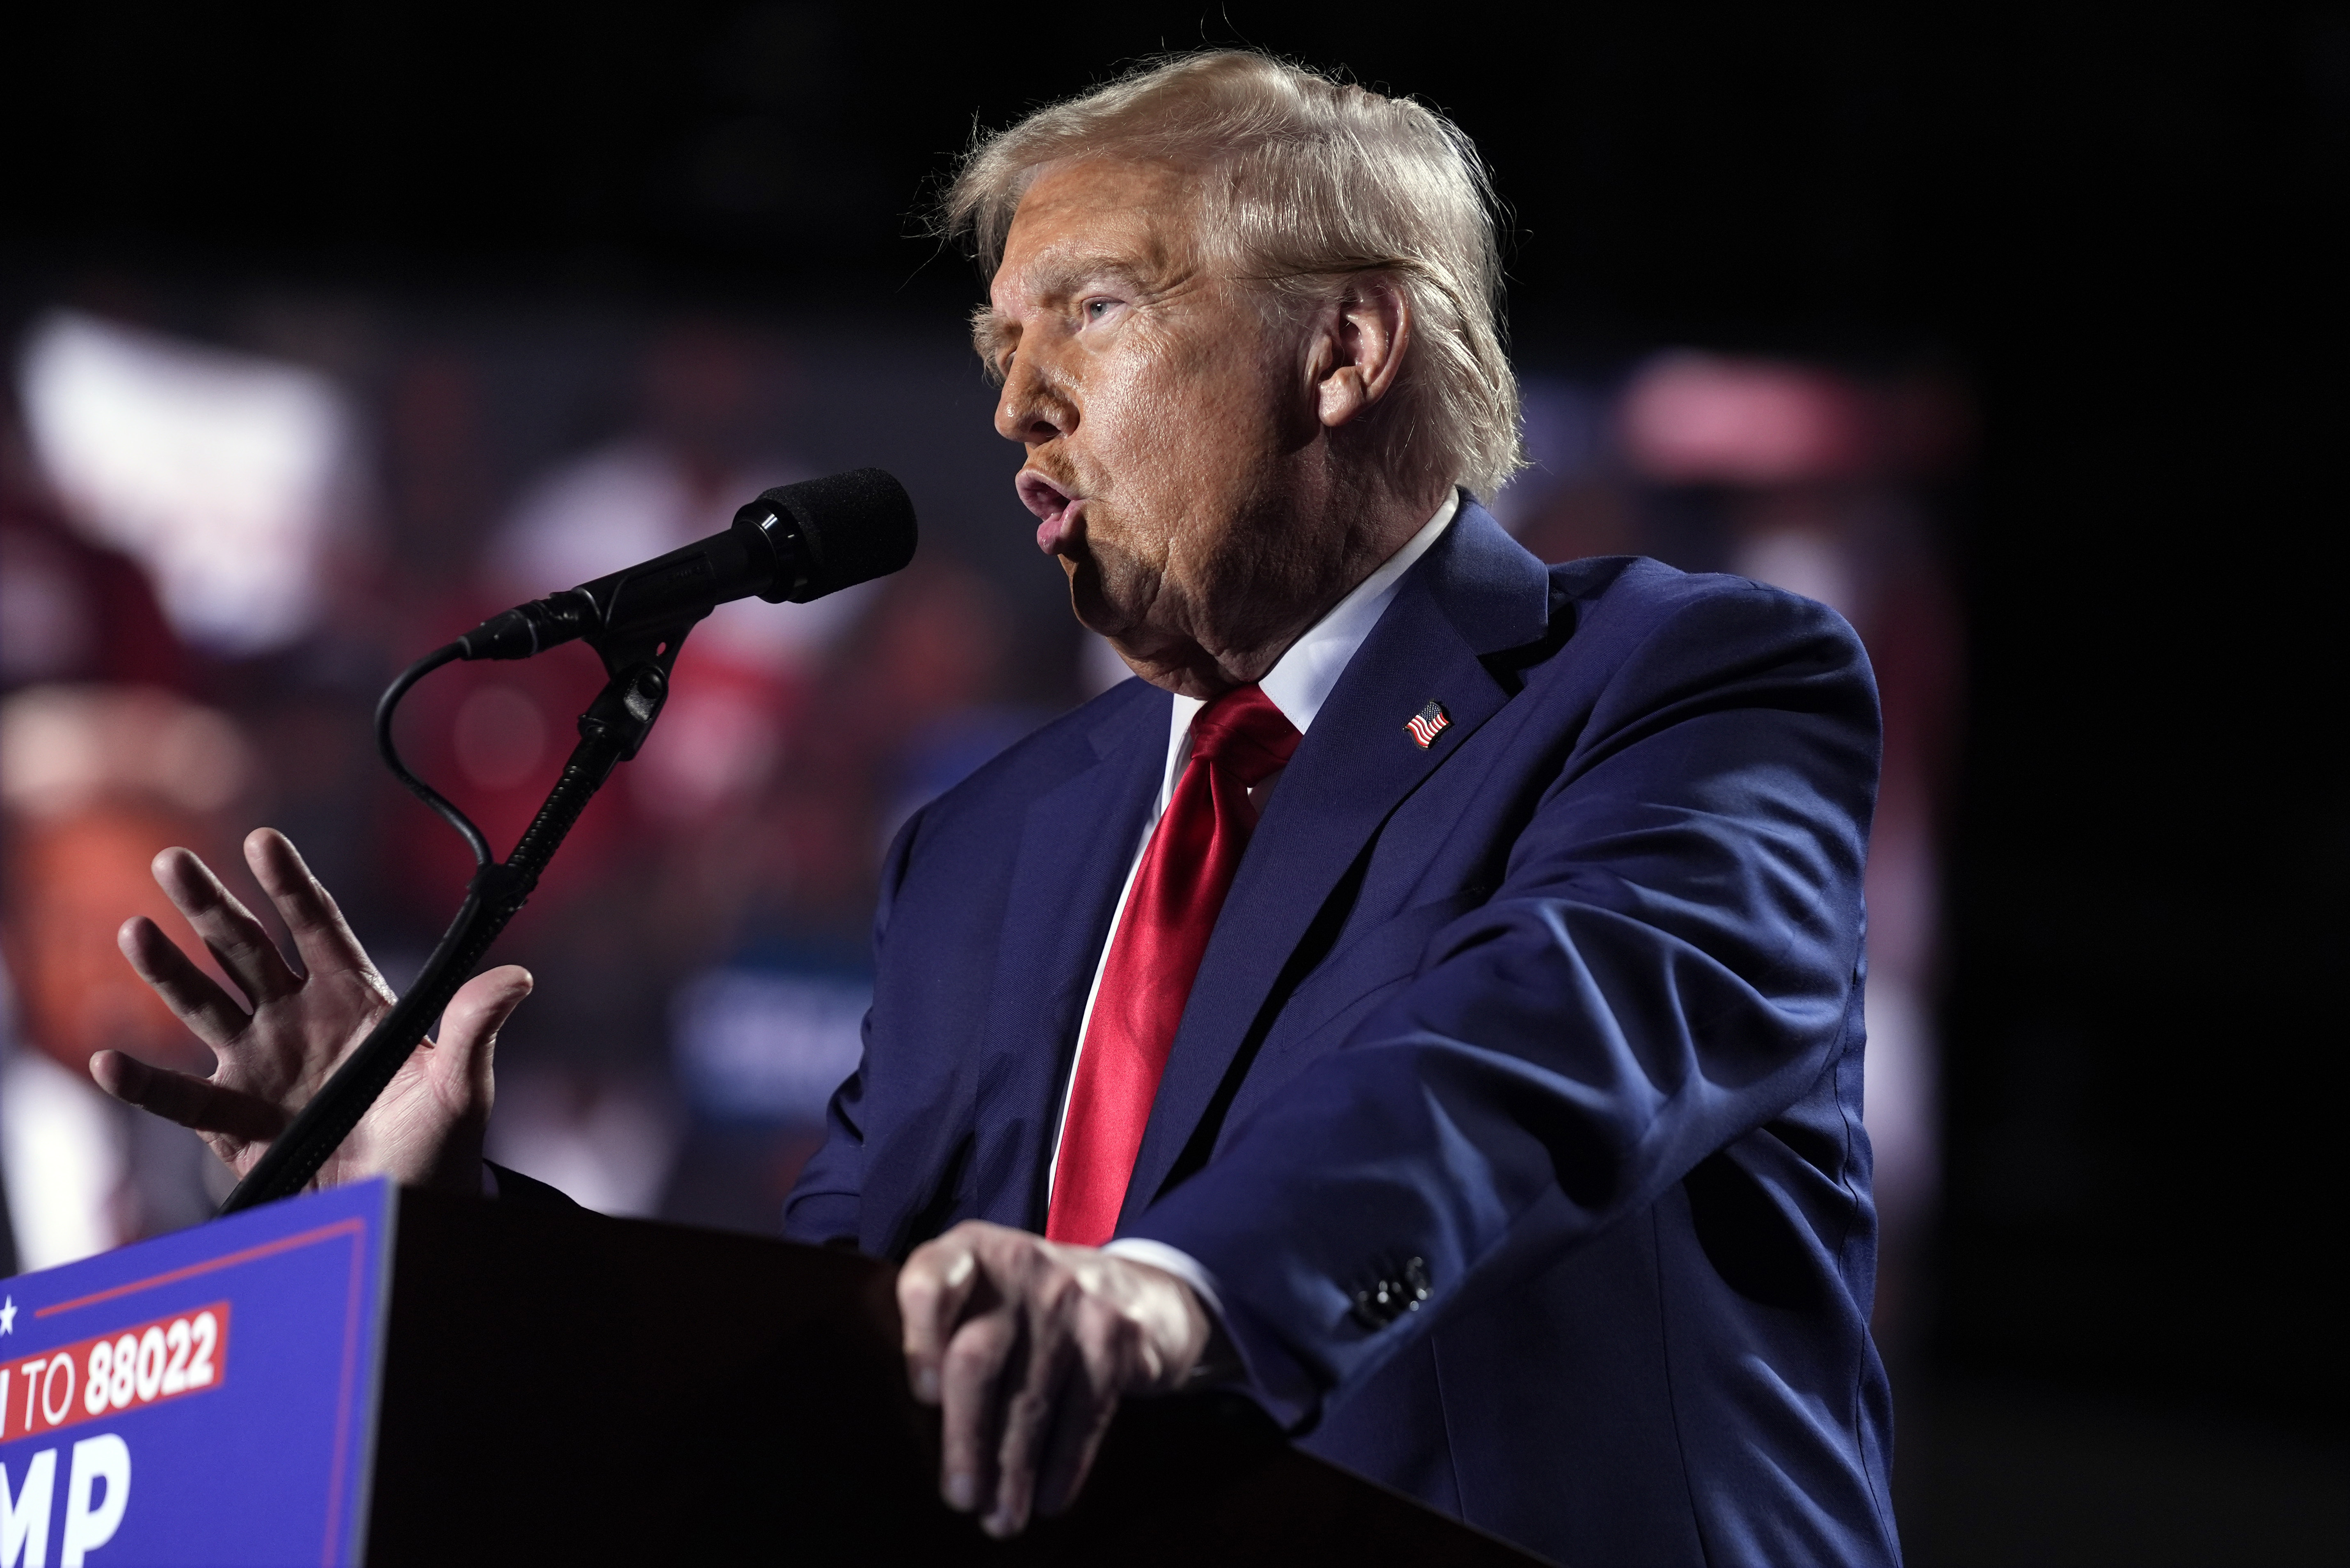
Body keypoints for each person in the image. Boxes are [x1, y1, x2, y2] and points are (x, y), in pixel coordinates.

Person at [94, 53, 1900, 1567]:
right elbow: (819, 1345)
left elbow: (1523, 1055)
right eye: (995, 343)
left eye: (1092, 313)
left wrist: (1169, 1290)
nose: (1014, 405)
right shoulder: (989, 842)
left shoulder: (1684, 685)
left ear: (1345, 349)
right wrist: (451, 1228)